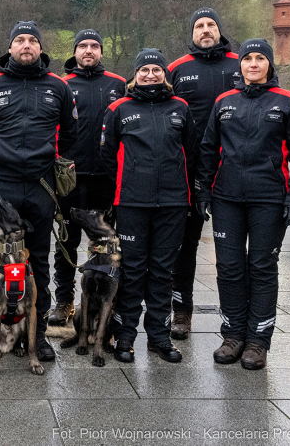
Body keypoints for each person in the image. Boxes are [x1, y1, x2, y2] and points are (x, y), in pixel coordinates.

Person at [0, 20, 78, 366]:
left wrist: (59, 170)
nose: (26, 45)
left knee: (38, 261)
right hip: (1, 185)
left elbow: (71, 135)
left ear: (40, 47)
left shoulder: (58, 87)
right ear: (10, 47)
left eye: (32, 40)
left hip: (41, 186)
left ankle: (38, 337)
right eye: (20, 40)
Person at [197, 38, 290, 371]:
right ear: (241, 65)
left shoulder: (288, 101)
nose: (254, 64)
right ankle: (233, 335)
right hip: (227, 197)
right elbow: (208, 149)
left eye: (261, 58)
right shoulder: (224, 101)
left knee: (262, 267)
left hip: (269, 198)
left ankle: (258, 341)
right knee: (229, 268)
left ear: (269, 65)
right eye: (248, 58)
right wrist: (202, 190)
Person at [101, 49, 196, 363]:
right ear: (136, 74)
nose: (151, 74)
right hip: (132, 202)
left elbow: (191, 152)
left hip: (172, 202)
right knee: (132, 271)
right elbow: (107, 156)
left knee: (162, 272)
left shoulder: (180, 107)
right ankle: (125, 336)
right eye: (145, 70)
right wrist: (127, 183)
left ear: (165, 75)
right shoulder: (118, 108)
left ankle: (159, 336)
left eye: (157, 69)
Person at [166, 8, 239, 339]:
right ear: (192, 33)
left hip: (233, 169)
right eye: (199, 25)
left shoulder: (242, 64)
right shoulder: (178, 69)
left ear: (219, 30)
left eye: (211, 24)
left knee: (232, 251)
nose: (206, 30)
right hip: (189, 172)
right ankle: (182, 310)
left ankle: (235, 317)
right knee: (185, 246)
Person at [48, 29, 126, 326]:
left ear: (101, 51)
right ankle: (64, 301)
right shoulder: (62, 84)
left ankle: (108, 300)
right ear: (75, 51)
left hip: (106, 179)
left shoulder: (118, 84)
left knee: (107, 244)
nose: (89, 50)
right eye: (83, 45)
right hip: (71, 178)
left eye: (94, 45)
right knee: (66, 242)